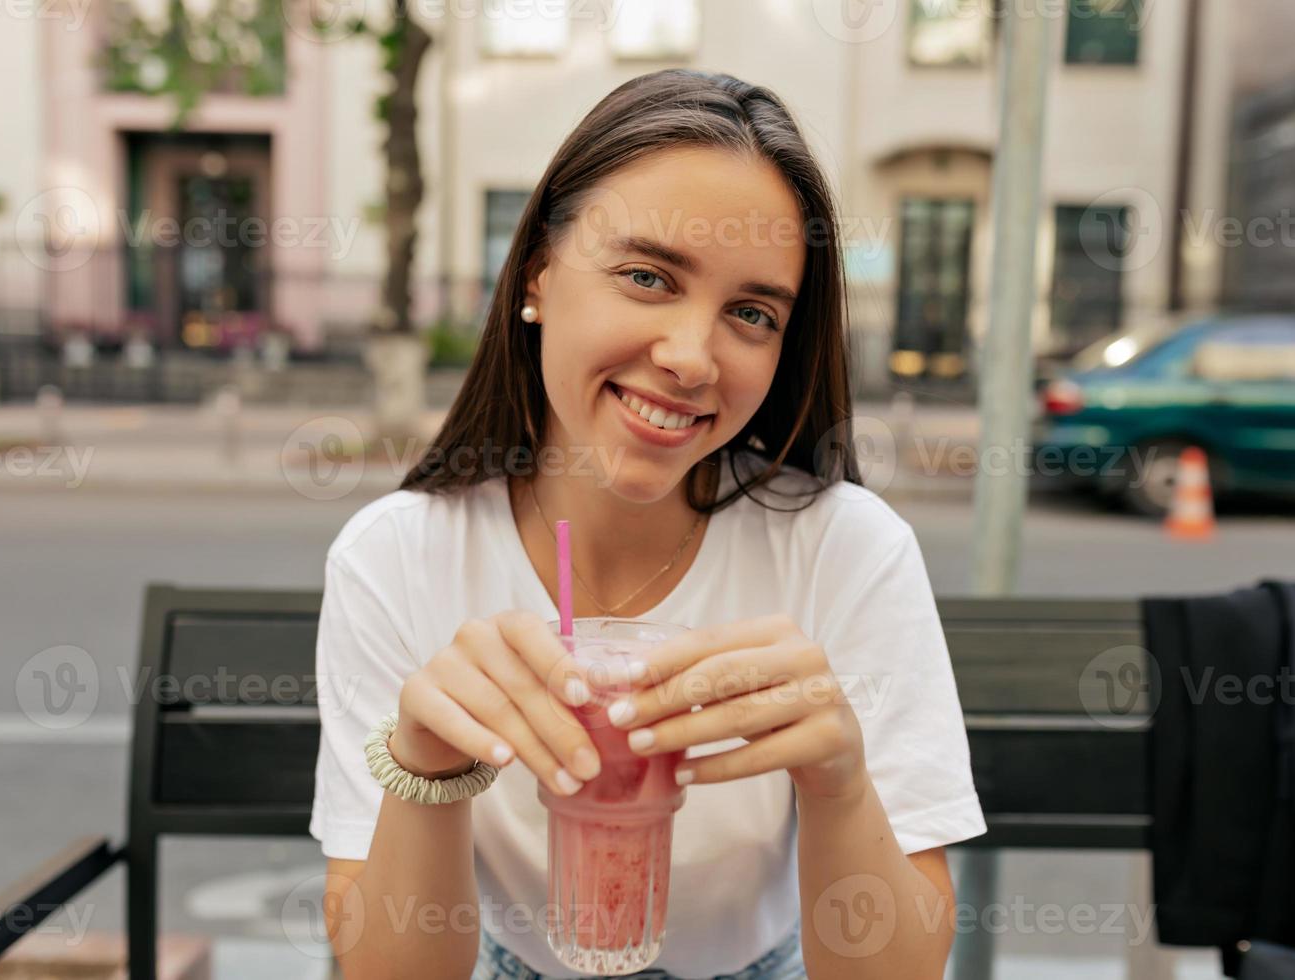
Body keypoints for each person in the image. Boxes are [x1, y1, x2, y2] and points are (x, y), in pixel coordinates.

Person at [309, 68, 986, 980]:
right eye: (646, 276)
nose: (691, 358)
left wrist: (838, 786)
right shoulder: (396, 558)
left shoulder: (844, 550)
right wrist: (424, 769)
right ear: (539, 275)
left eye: (751, 313)